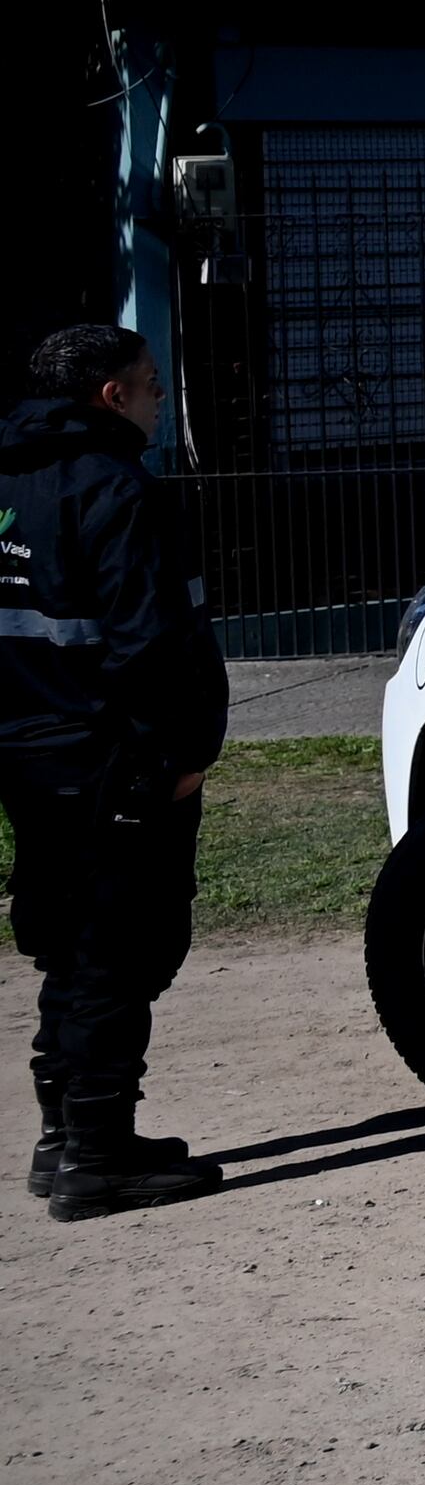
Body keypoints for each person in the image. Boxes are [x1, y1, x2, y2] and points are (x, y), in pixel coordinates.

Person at [1, 325, 229, 1219]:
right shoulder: (116, 486)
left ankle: (67, 1138)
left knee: (68, 948)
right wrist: (170, 757)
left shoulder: (11, 477)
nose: (159, 399)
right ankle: (96, 1159)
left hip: (28, 756)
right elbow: (149, 643)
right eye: (149, 384)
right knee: (114, 954)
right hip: (111, 760)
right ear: (109, 395)